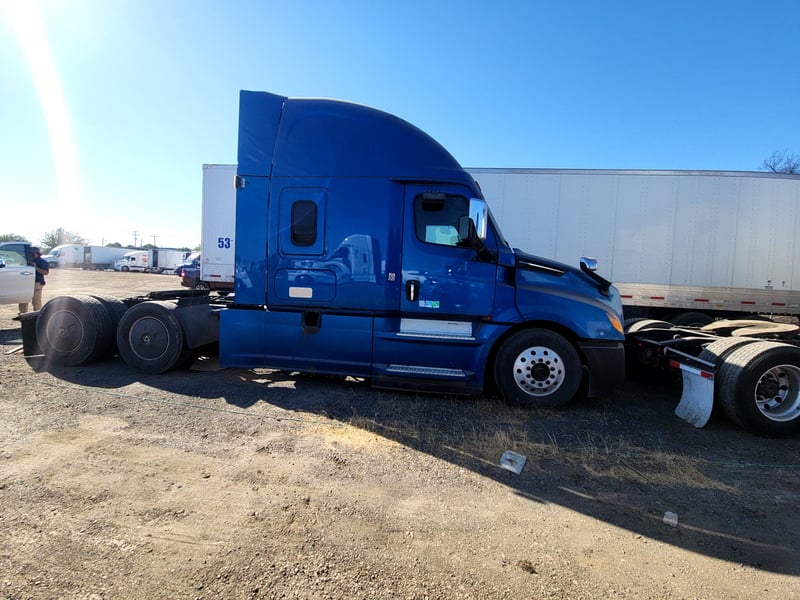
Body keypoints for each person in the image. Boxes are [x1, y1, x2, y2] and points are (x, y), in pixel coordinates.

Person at [18, 247, 50, 313]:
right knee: (23, 300)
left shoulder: (42, 262)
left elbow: (46, 272)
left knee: (36, 302)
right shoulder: (26, 261)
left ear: (35, 253)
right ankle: (23, 315)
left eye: (31, 252)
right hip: (26, 282)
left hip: (37, 283)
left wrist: (35, 268)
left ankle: (37, 317)